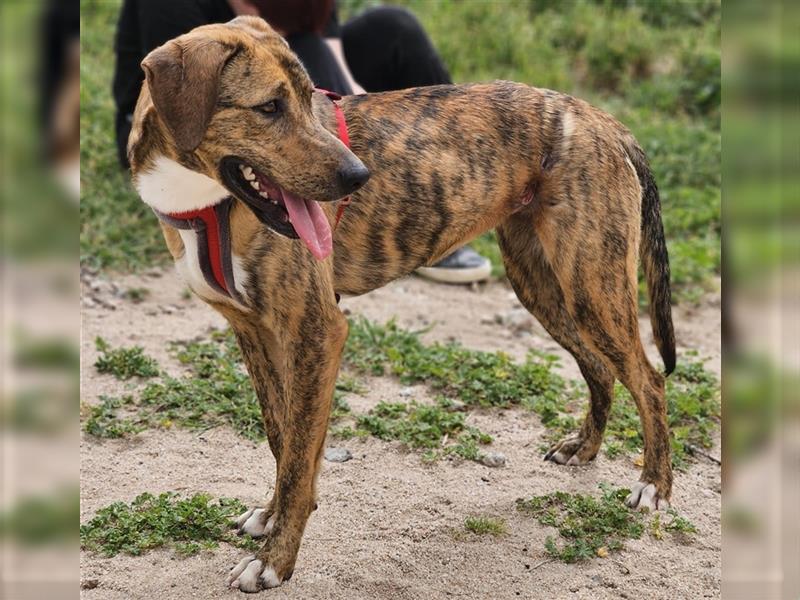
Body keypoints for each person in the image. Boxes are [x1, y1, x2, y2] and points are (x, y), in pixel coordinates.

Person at [113, 0, 491, 284]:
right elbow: (183, 109)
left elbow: (324, 38)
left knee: (394, 26)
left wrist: (355, 97)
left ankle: (442, 200)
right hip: (184, 129)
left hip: (279, 76)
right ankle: (354, 221)